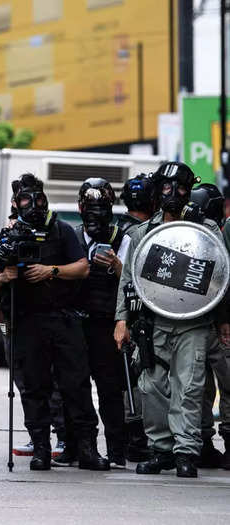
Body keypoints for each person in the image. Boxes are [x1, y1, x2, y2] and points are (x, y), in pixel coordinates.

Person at [0, 173, 108, 471]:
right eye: (27, 199)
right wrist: (4, 276)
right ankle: (41, 448)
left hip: (64, 319)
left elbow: (82, 268)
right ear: (16, 203)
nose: (35, 205)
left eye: (39, 198)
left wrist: (50, 271)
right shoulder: (9, 235)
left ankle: (87, 449)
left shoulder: (61, 231)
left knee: (76, 385)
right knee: (34, 388)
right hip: (27, 322)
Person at [114, 162, 228, 478]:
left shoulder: (205, 229)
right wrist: (121, 320)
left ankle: (186, 453)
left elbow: (220, 274)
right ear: (157, 189)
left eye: (180, 187)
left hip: (193, 322)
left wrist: (222, 320)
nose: (173, 193)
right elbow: (128, 280)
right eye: (166, 186)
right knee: (150, 387)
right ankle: (161, 450)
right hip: (152, 322)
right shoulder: (143, 233)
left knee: (189, 387)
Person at [64, 178, 129, 469]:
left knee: (110, 390)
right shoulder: (71, 236)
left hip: (106, 324)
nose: (95, 215)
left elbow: (132, 283)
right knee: (73, 387)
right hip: (75, 324)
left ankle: (116, 450)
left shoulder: (123, 238)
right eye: (89, 209)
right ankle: (74, 446)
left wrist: (116, 266)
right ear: (80, 208)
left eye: (101, 208)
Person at [189, 184, 230, 470]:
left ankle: (206, 443)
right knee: (205, 386)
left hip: (204, 319)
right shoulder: (217, 232)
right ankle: (207, 443)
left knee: (204, 386)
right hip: (210, 320)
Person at [116, 174, 156, 462]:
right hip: (136, 316)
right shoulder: (133, 233)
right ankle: (138, 438)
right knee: (136, 378)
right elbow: (126, 278)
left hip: (133, 316)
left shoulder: (128, 231)